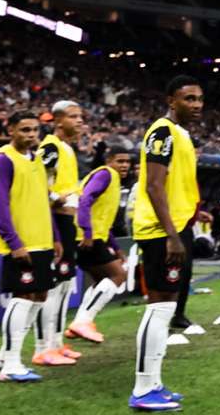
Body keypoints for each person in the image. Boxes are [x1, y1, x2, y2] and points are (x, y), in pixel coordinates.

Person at [128, 75, 206, 411]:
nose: (196, 105)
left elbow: (174, 186)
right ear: (171, 100)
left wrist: (193, 215)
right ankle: (143, 388)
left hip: (175, 228)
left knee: (166, 306)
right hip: (162, 233)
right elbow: (154, 187)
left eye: (200, 98)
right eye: (188, 98)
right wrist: (173, 235)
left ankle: (154, 383)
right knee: (159, 305)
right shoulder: (162, 132)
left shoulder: (183, 135)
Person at [0, 112, 59, 382]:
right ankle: (12, 364)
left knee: (40, 296)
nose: (30, 135)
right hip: (21, 242)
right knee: (23, 296)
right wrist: (14, 242)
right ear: (10, 129)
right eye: (24, 129)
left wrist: (56, 237)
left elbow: (43, 201)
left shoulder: (36, 159)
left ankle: (5, 353)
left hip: (42, 241)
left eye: (34, 130)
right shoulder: (2, 160)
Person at [34, 100, 84, 366]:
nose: (80, 121)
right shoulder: (51, 146)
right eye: (73, 116)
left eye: (80, 116)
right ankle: (42, 347)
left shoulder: (67, 148)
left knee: (65, 286)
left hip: (67, 222)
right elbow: (38, 183)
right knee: (53, 288)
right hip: (54, 221)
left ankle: (55, 342)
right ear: (58, 120)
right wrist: (57, 198)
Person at [65, 146, 132, 343]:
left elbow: (103, 218)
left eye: (127, 162)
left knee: (99, 280)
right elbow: (85, 200)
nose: (125, 165)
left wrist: (117, 248)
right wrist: (87, 231)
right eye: (120, 161)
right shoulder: (105, 174)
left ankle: (79, 323)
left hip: (91, 236)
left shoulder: (112, 180)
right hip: (86, 237)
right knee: (118, 274)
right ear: (109, 160)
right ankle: (83, 321)